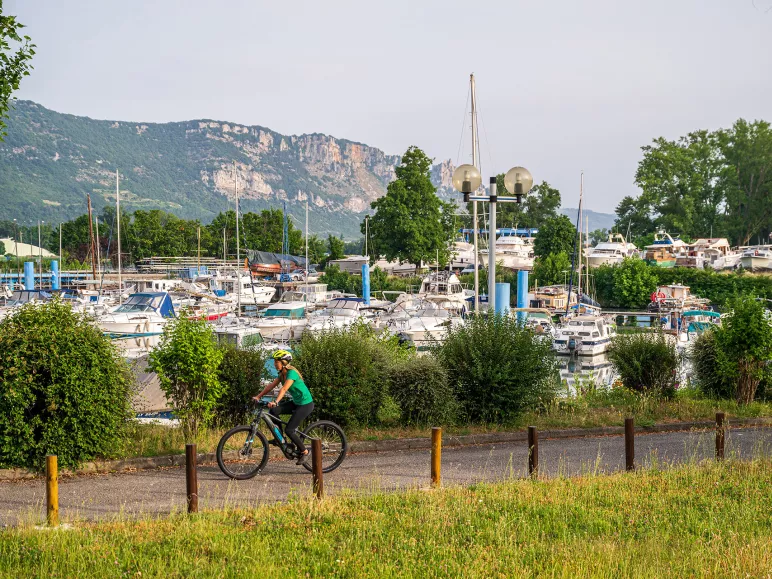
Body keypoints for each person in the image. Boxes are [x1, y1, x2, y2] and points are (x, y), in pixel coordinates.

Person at [253, 350, 314, 464]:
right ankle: (280, 439)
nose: (275, 364)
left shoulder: (291, 373)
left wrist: (276, 401)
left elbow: (284, 389)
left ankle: (305, 452)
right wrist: (258, 396)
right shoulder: (282, 374)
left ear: (284, 363)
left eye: (277, 362)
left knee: (289, 430)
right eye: (275, 362)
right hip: (296, 402)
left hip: (305, 404)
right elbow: (270, 386)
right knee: (273, 411)